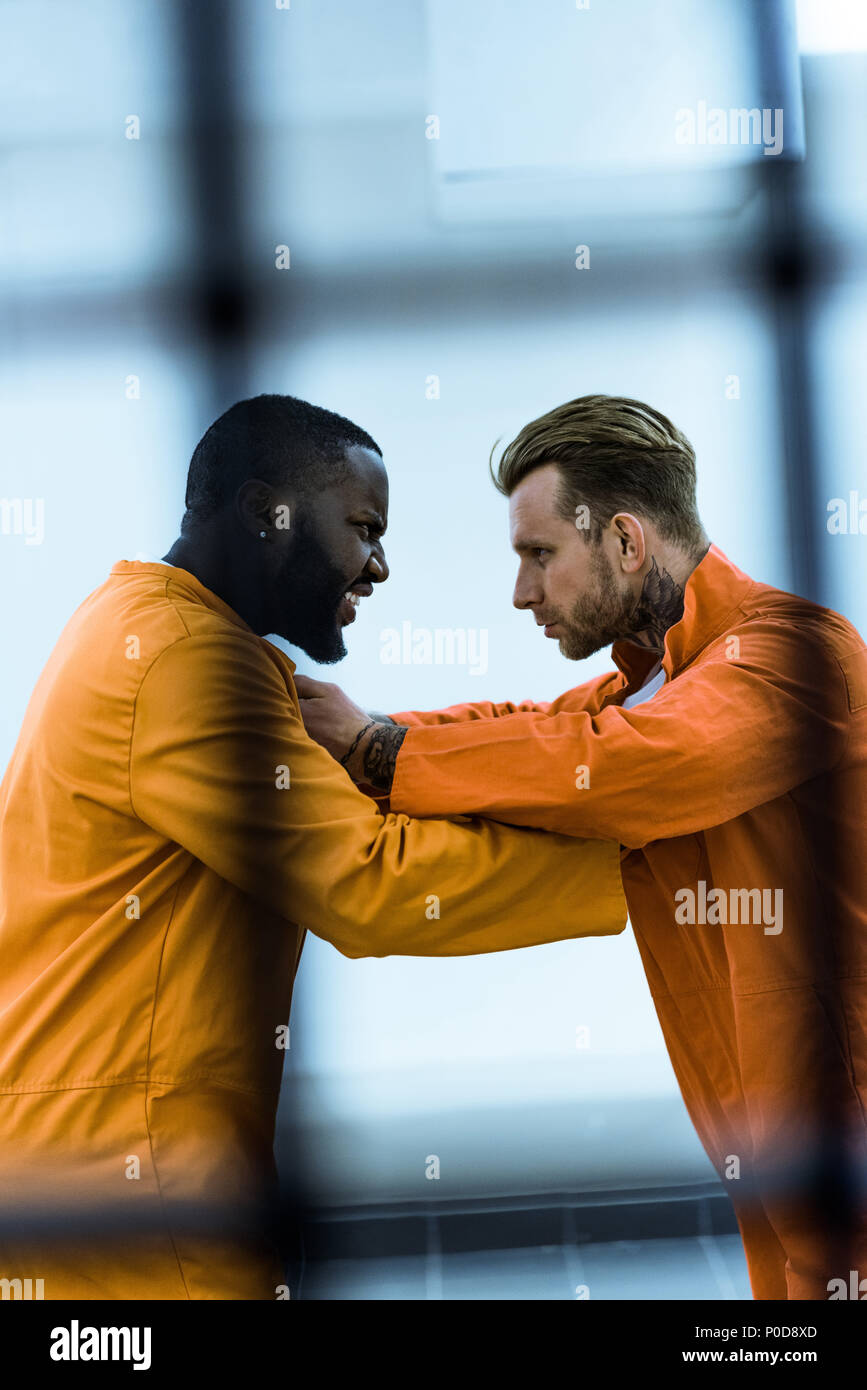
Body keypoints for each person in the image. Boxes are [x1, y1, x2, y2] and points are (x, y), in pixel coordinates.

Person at [0, 394, 626, 1301]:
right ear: (267, 513)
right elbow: (370, 884)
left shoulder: (138, 627)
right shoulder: (183, 659)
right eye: (362, 527)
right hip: (121, 1182)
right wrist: (642, 868)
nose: (377, 566)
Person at [297, 393, 867, 1301]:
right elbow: (527, 729)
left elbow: (628, 763)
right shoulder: (660, 685)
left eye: (538, 556)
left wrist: (382, 751)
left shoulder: (794, 653)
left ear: (627, 542)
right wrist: (356, 733)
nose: (522, 591)